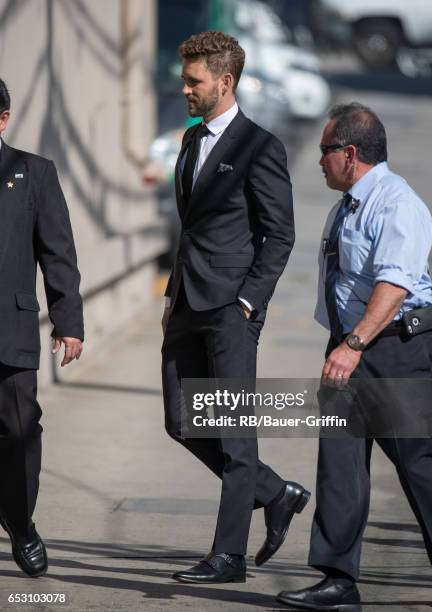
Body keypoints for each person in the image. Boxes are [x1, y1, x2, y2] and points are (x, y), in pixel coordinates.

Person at [161, 31, 310, 584]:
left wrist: (249, 300)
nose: (185, 90)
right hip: (185, 305)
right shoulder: (190, 140)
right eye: (185, 80)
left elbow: (280, 234)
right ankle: (276, 493)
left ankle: (229, 556)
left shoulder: (259, 146)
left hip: (231, 309)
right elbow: (190, 229)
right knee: (181, 421)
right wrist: (173, 293)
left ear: (224, 82)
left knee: (232, 431)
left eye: (194, 81)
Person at [277, 103, 432, 610]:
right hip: (351, 344)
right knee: (340, 466)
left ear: (349, 153)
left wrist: (354, 344)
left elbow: (395, 284)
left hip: (393, 349)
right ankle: (338, 580)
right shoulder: (349, 203)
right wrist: (342, 343)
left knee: (419, 466)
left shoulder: (396, 202)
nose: (319, 161)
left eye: (325, 152)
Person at [0, 79, 84, 577]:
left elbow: (58, 252)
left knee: (19, 430)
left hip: (9, 327)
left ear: (3, 119)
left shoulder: (32, 173)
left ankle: (21, 523)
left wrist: (68, 322)